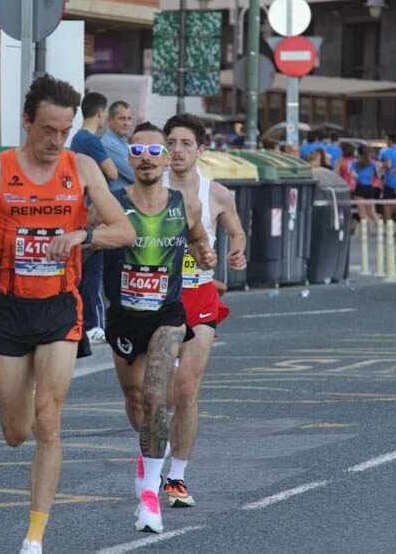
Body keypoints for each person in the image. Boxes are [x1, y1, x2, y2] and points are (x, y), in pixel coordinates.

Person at [0, 74, 134, 554]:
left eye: (64, 130)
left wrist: (82, 237)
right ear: (27, 122)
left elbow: (124, 230)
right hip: (7, 309)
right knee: (16, 432)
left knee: (49, 421)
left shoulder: (83, 167)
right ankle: (23, 387)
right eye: (47, 129)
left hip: (60, 308)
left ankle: (34, 535)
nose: (55, 140)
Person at [101, 121, 216, 534]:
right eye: (139, 152)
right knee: (135, 400)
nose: (147, 159)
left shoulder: (185, 204)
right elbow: (87, 241)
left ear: (165, 160)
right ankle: (146, 452)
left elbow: (199, 241)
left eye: (155, 153)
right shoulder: (111, 203)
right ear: (128, 157)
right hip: (123, 316)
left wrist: (206, 256)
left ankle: (151, 494)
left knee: (156, 396)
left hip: (167, 314)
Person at [161, 113, 246, 510]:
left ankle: (175, 476)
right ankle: (149, 462)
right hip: (157, 300)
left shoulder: (217, 194)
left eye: (185, 144)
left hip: (200, 299)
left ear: (200, 150)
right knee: (153, 396)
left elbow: (237, 229)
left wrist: (237, 249)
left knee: (186, 389)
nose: (176, 151)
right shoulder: (150, 190)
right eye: (171, 143)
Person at [70, 92, 117, 342]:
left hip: (85, 211)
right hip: (94, 212)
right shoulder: (89, 140)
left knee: (84, 268)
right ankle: (94, 324)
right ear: (100, 112)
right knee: (93, 271)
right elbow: (111, 172)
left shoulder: (77, 139)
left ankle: (84, 321)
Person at [101, 100, 135, 191]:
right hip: (119, 201)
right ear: (110, 120)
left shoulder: (124, 144)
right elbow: (135, 174)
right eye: (121, 118)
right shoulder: (109, 144)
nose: (126, 123)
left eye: (129, 119)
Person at [351, 144, 380, 225]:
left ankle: (365, 231)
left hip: (360, 187)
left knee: (362, 213)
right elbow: (377, 175)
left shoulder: (355, 163)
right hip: (369, 188)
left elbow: (352, 174)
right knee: (372, 212)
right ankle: (379, 227)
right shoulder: (372, 163)